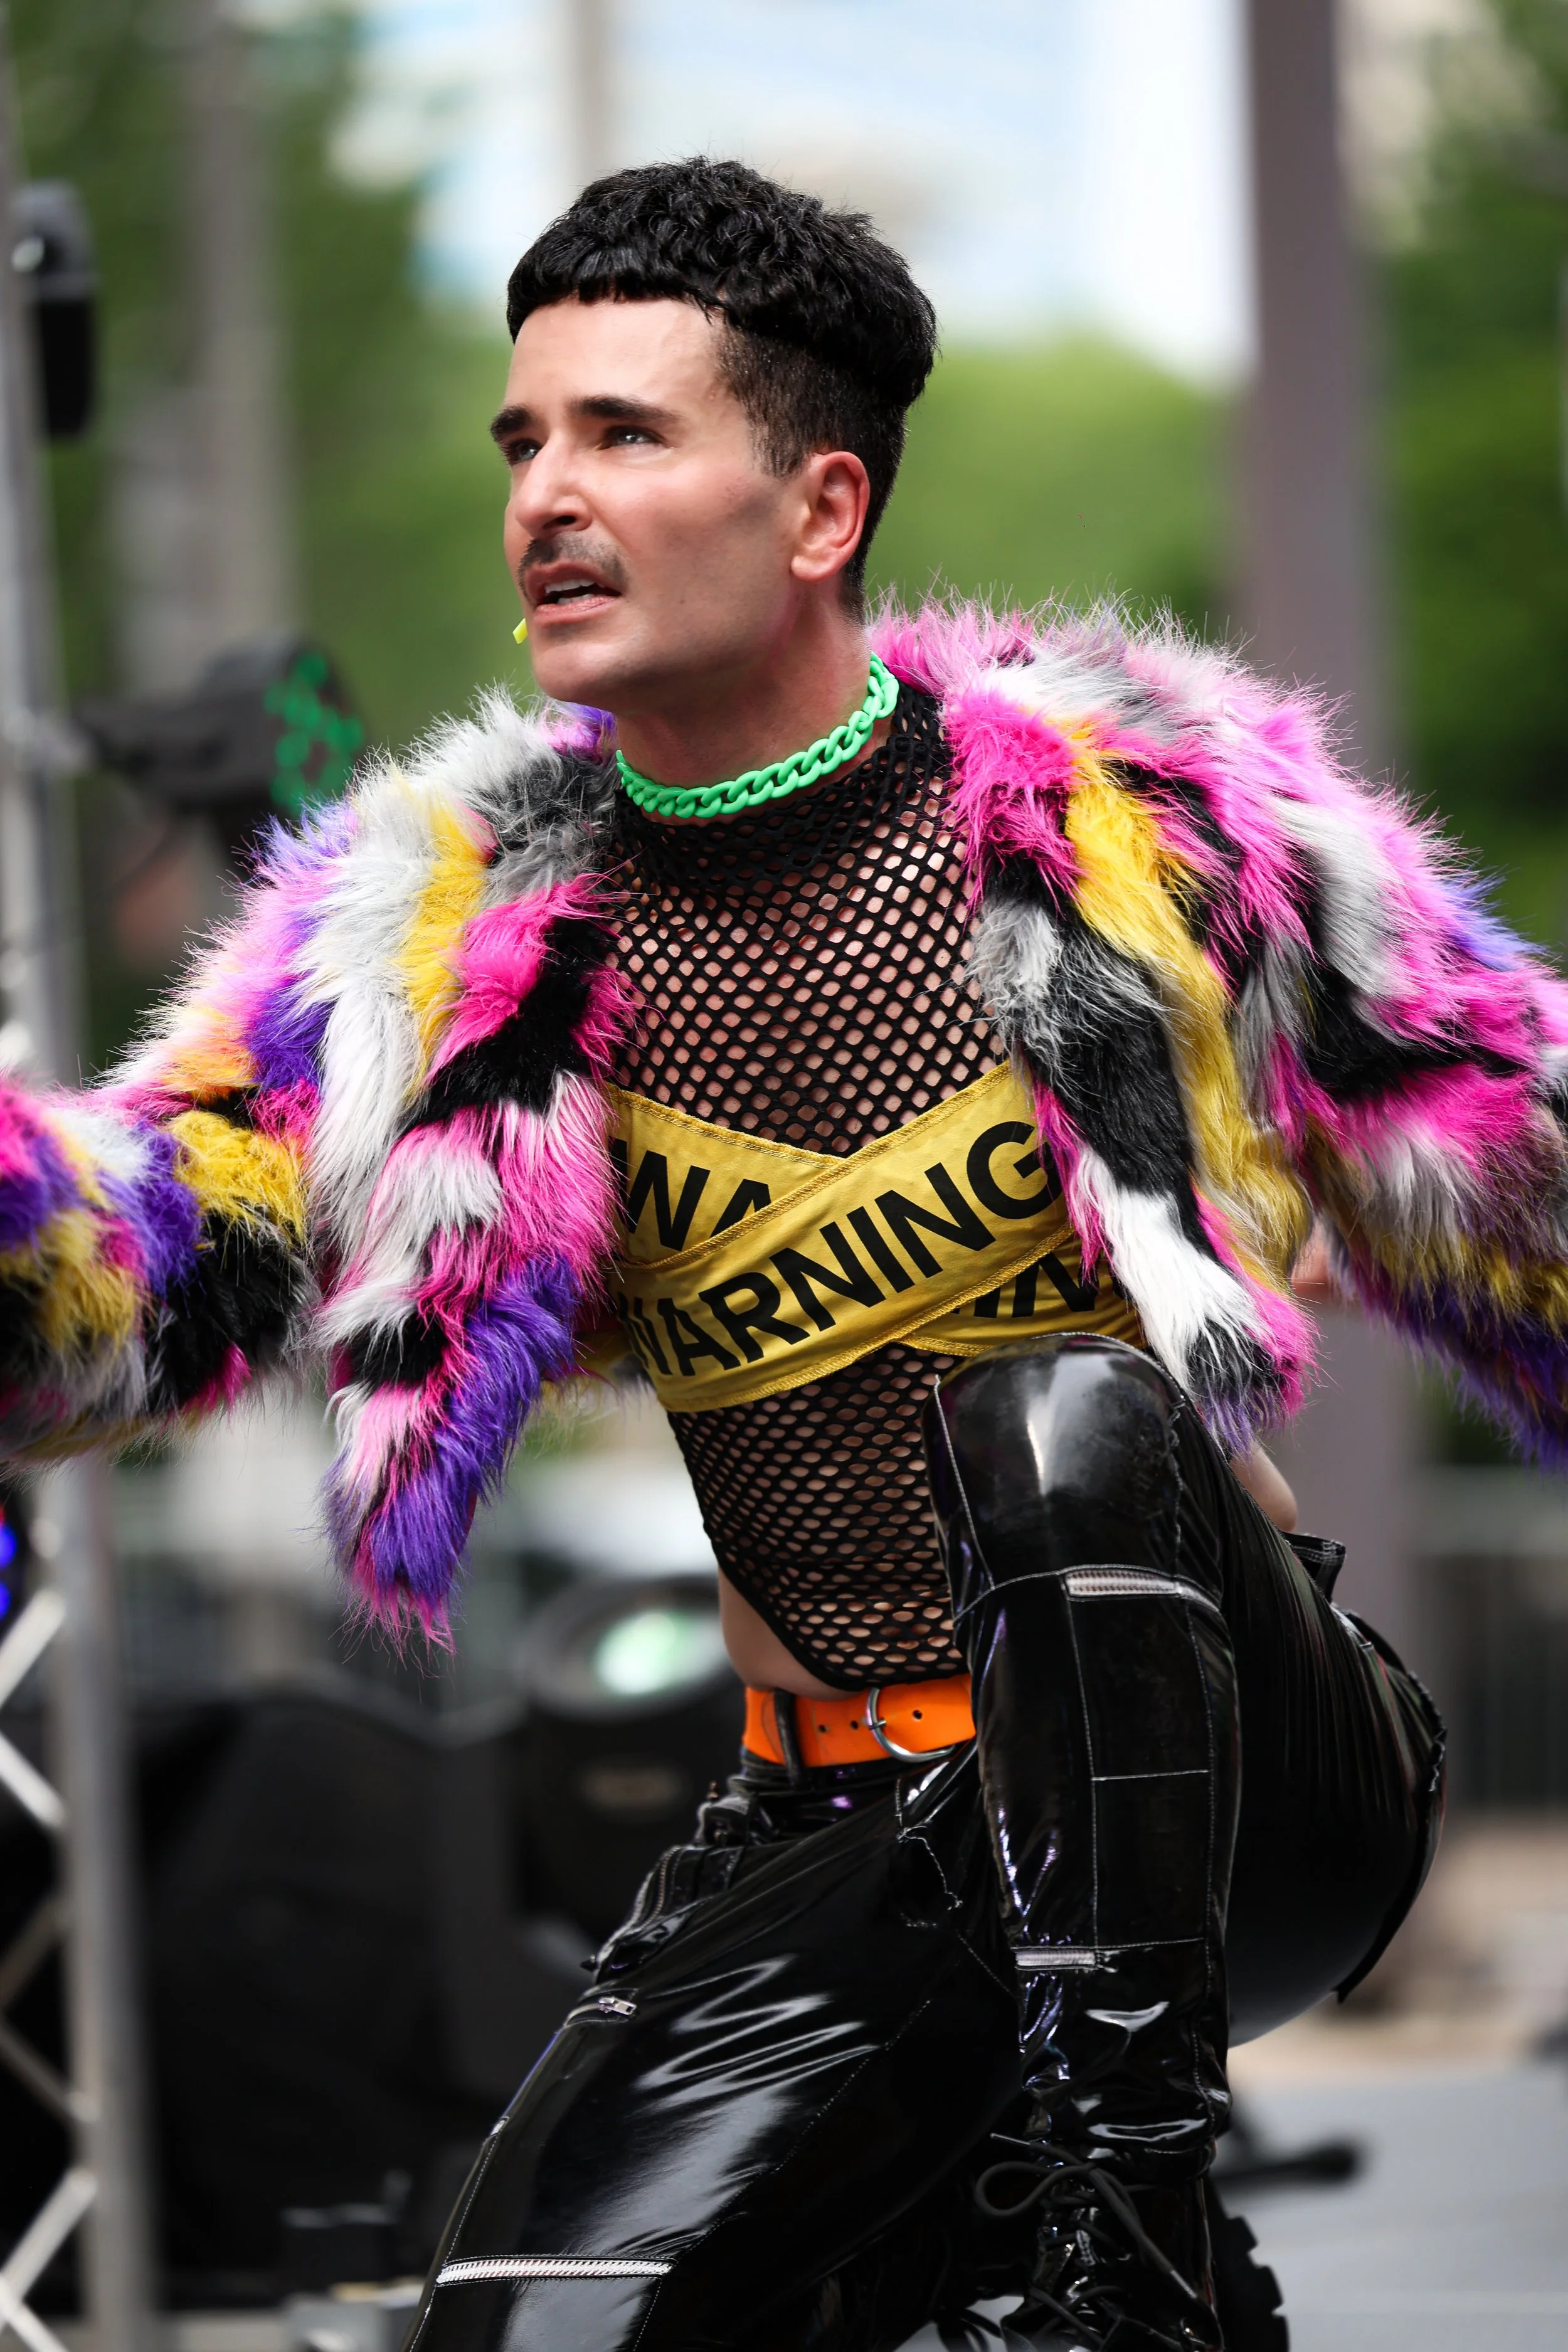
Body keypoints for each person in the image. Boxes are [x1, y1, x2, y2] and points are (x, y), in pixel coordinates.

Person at [16, 154, 1568, 2348]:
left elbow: (1527, 1166)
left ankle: (1127, 2264)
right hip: (841, 1819)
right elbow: (146, 1258)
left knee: (1056, 1411)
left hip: (1243, 1786)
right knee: (527, 2324)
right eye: (524, 441)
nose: (546, 497)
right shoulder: (446, 943)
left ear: (820, 504)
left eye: (623, 433)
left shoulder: (1156, 823)